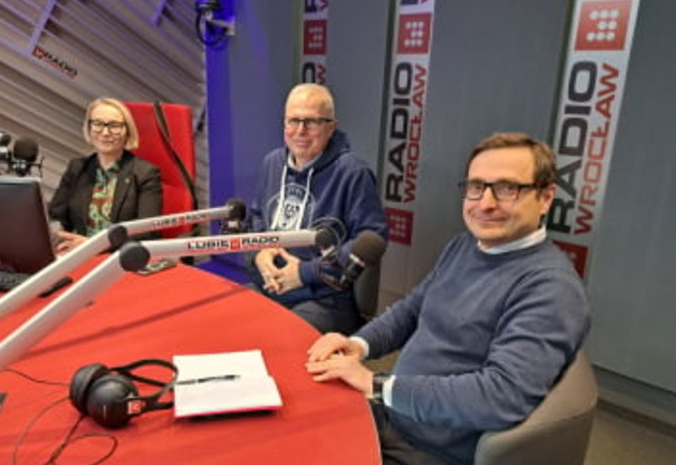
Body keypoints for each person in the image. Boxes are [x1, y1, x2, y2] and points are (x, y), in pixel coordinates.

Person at [305, 132, 591, 465]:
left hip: (427, 450)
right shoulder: (464, 245)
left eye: (507, 188)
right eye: (476, 186)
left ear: (545, 198)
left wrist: (376, 384)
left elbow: (500, 397)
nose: (485, 203)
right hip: (391, 414)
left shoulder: (550, 287)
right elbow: (412, 310)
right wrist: (358, 345)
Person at [247, 83, 388, 335]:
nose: (300, 131)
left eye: (311, 122)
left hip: (324, 297)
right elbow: (256, 218)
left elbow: (371, 237)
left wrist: (304, 272)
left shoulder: (353, 173)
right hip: (268, 284)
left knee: (277, 340)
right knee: (227, 325)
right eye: (293, 121)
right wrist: (259, 254)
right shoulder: (272, 163)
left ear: (330, 127)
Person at [49, 97, 162, 254]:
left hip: (118, 257)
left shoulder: (146, 173)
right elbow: (56, 216)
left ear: (127, 131)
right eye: (98, 124)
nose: (105, 132)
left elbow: (148, 231)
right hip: (77, 254)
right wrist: (57, 237)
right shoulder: (77, 167)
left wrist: (94, 244)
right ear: (89, 128)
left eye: (115, 126)